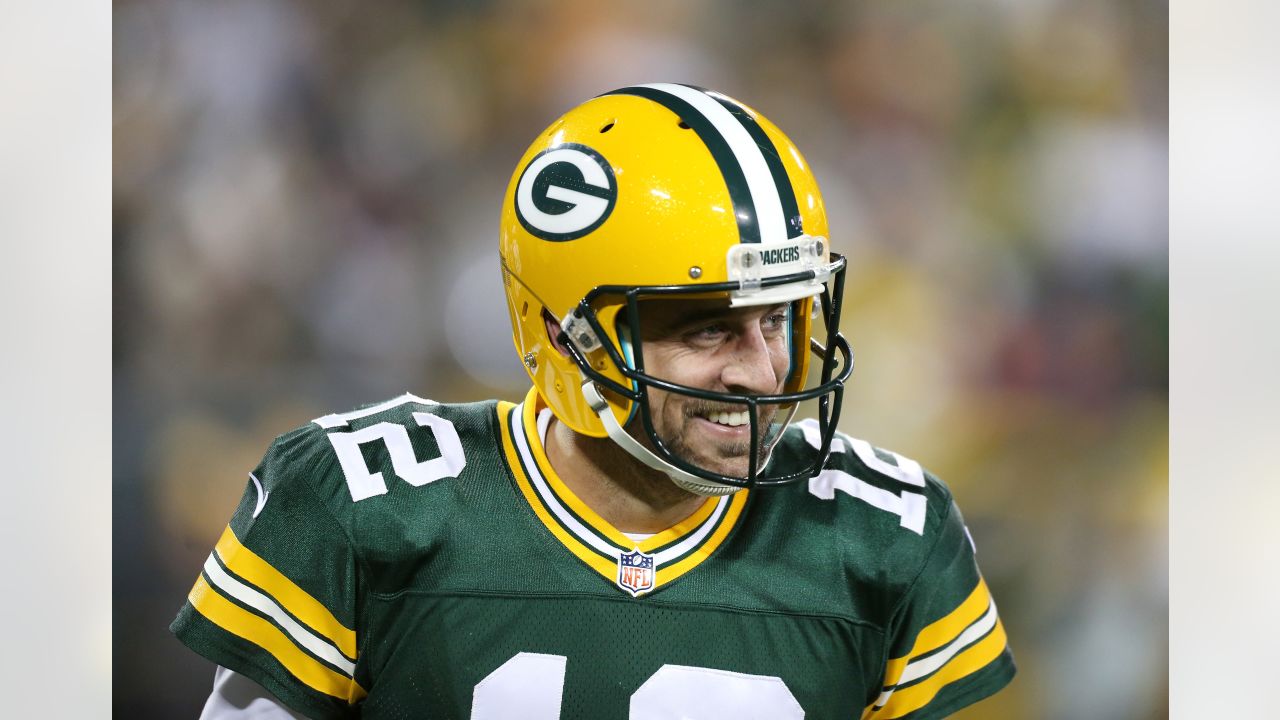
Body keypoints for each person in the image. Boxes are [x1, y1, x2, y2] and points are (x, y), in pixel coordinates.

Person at [172, 83, 1015, 719]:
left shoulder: (886, 538)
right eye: (709, 330)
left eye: (781, 319)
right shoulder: (358, 505)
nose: (762, 373)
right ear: (568, 334)